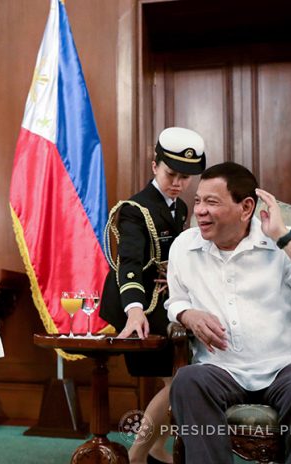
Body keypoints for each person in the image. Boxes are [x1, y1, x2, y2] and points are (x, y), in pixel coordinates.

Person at [166, 161, 291, 463]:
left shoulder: (285, 241)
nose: (199, 210)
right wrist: (187, 314)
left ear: (246, 207)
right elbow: (175, 300)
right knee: (188, 381)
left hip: (290, 365)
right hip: (223, 368)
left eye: (211, 202)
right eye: (198, 200)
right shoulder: (183, 247)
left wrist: (283, 236)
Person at [100, 127, 207, 464]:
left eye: (185, 177)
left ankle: (154, 448)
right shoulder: (135, 208)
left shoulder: (179, 208)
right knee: (178, 381)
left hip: (168, 296)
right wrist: (134, 310)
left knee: (177, 379)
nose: (178, 182)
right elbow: (128, 263)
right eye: (170, 173)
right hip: (139, 299)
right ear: (153, 165)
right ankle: (136, 455)